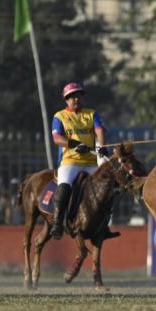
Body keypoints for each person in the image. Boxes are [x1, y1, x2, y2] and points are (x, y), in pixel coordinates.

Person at [49, 81, 108, 239]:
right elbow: (57, 138)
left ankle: (104, 224)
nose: (76, 99)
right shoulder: (59, 116)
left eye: (78, 96)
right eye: (72, 97)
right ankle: (57, 223)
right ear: (66, 100)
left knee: (108, 185)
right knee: (64, 187)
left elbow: (99, 130)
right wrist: (74, 144)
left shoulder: (91, 113)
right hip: (70, 162)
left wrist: (102, 146)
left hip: (90, 162)